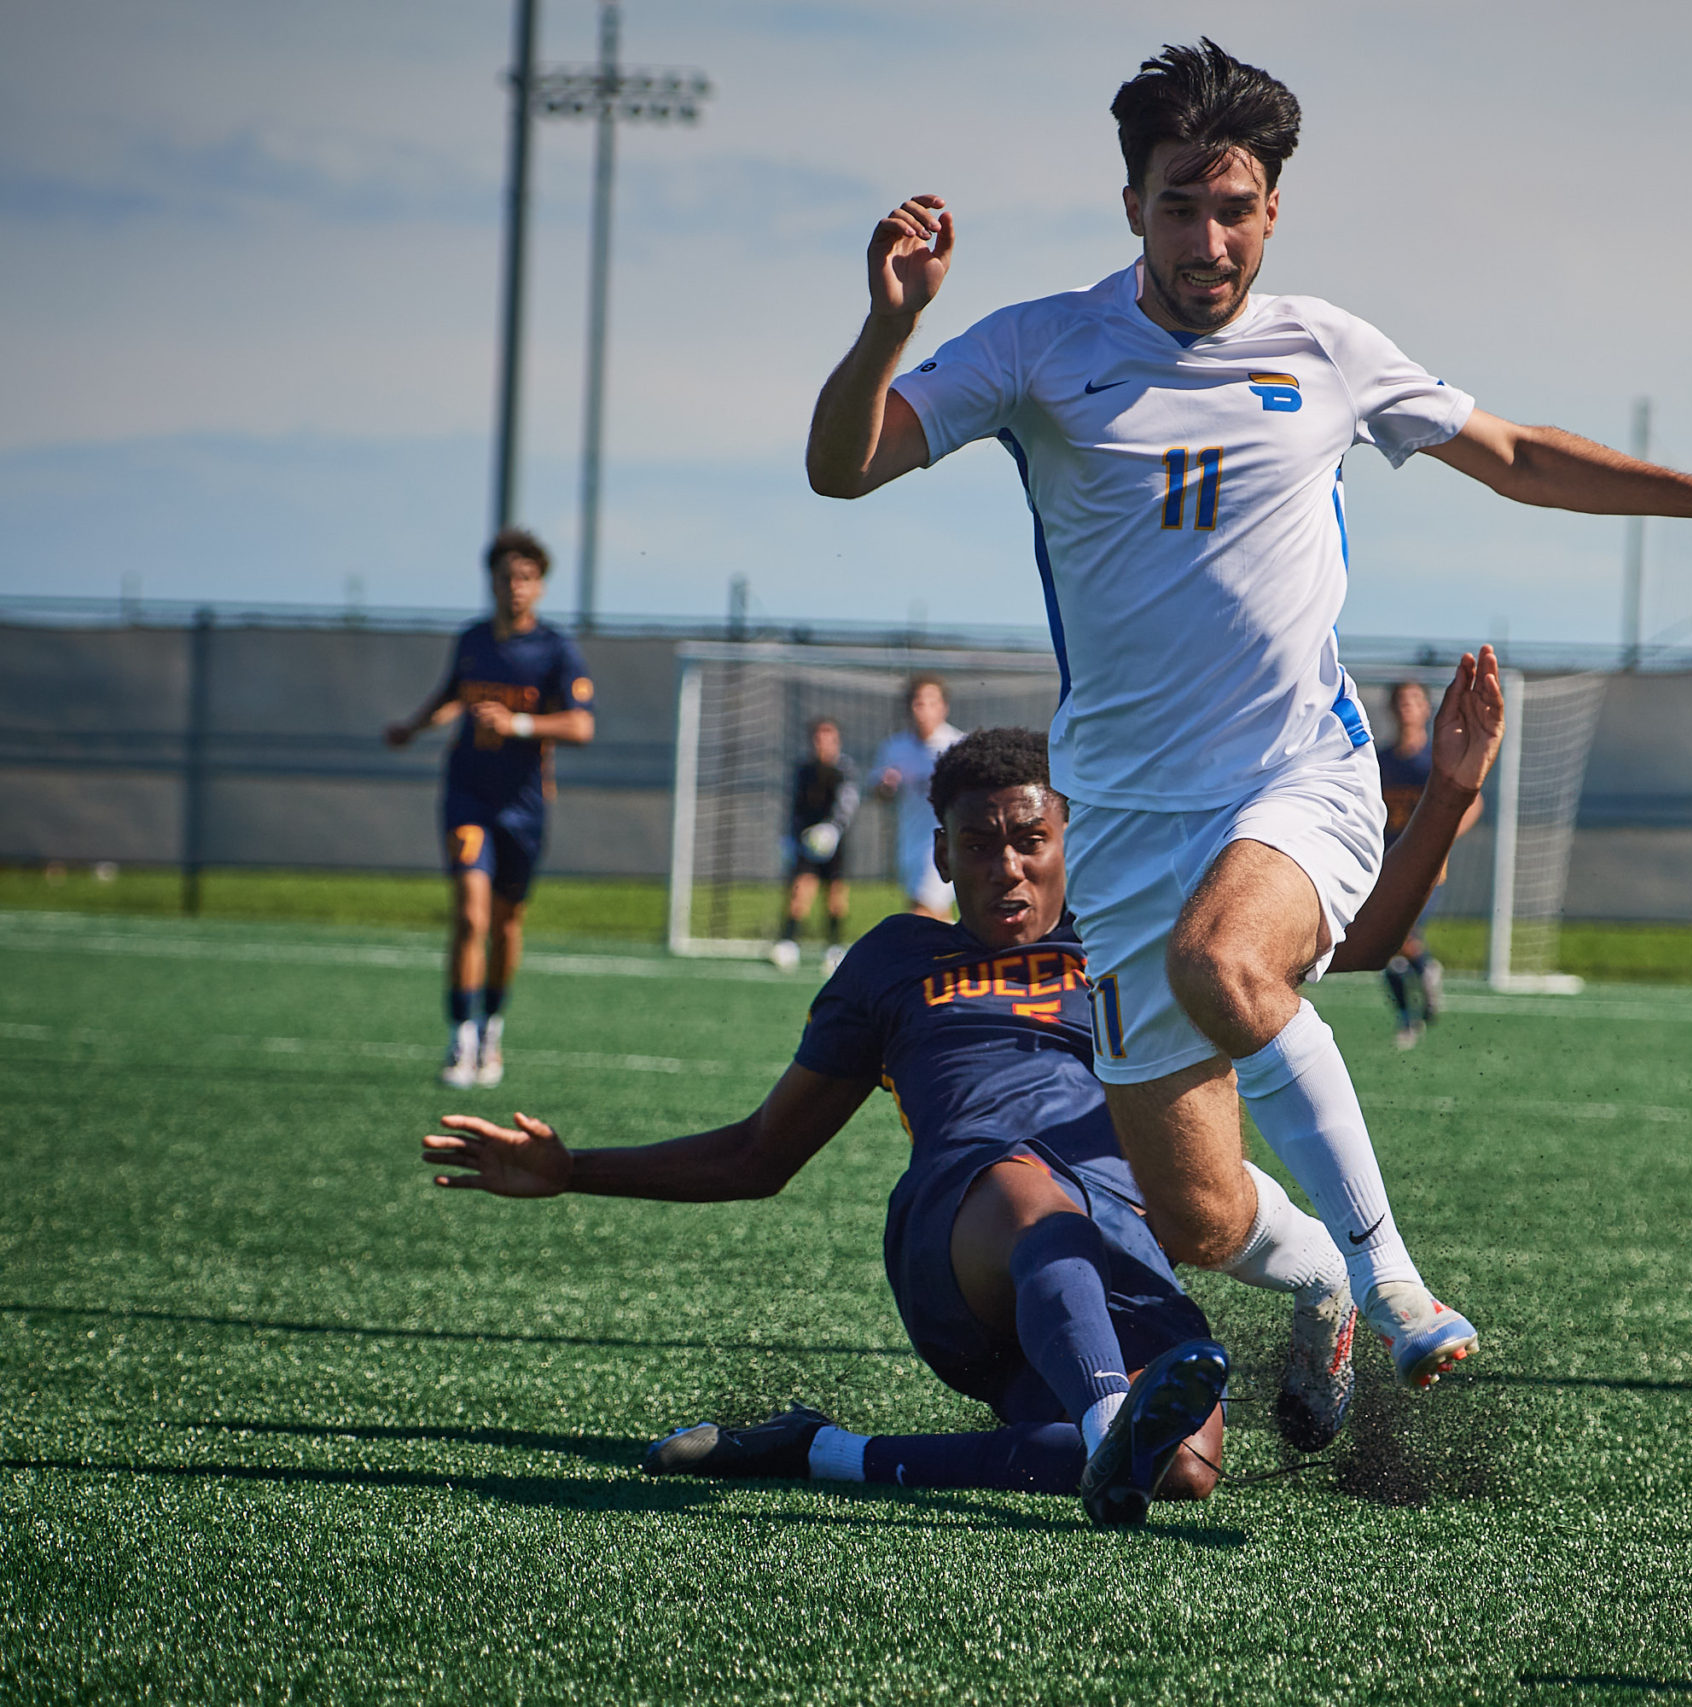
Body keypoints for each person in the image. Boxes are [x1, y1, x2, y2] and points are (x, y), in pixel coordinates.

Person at [803, 39, 1692, 1390]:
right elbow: (841, 469)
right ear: (1131, 207)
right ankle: (1325, 1287)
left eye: (1234, 207)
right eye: (1179, 203)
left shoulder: (1330, 351)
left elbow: (1513, 457)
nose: (1208, 237)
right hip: (1116, 825)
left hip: (1300, 779)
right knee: (1199, 1213)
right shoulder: (1041, 347)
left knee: (1227, 963)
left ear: (1274, 210)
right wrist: (892, 325)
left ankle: (1394, 1276)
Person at [419, 661, 1499, 1528]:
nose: (1009, 869)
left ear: (1070, 841)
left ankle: (826, 1451)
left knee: (1184, 1474)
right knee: (1031, 1194)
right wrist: (572, 1173)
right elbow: (760, 1156)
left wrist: (1447, 793)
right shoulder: (897, 957)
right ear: (940, 851)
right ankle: (1113, 1411)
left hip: (1114, 1229)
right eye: (980, 846)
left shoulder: (1129, 939)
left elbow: (1369, 941)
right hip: (963, 1237)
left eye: (1031, 840)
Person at [386, 528, 596, 1090]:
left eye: (526, 578)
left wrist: (519, 724)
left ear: (541, 587)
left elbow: (581, 725)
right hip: (468, 794)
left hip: (524, 807)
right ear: (493, 583)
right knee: (471, 916)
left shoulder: (555, 650)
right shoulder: (473, 640)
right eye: (507, 577)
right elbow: (451, 695)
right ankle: (462, 1038)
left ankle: (493, 1025)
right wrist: (413, 726)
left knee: (506, 926)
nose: (516, 588)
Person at [1375, 680, 1478, 1050]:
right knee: (1383, 948)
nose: (1407, 706)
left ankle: (1425, 972)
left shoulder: (1435, 761)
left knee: (1398, 938)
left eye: (1414, 700)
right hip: (1384, 867)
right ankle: (1409, 1011)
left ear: (1426, 709)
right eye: (1400, 700)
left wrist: (1442, 841)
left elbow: (1472, 803)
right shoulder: (1379, 761)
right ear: (1391, 708)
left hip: (1426, 871)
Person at [873, 675, 964, 919]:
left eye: (931, 703)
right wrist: (886, 786)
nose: (923, 710)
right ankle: (953, 957)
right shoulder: (895, 747)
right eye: (918, 703)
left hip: (944, 841)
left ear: (944, 707)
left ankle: (901, 956)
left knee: (920, 914)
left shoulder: (956, 745)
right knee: (933, 912)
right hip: (910, 839)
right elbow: (879, 795)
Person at [774, 718, 859, 973]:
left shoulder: (844, 770)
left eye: (829, 739)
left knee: (835, 896)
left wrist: (833, 829)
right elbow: (795, 808)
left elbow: (848, 804)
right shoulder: (803, 770)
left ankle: (834, 947)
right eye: (818, 739)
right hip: (806, 842)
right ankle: (787, 943)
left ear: (837, 742)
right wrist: (790, 838)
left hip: (835, 841)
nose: (823, 745)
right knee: (800, 892)